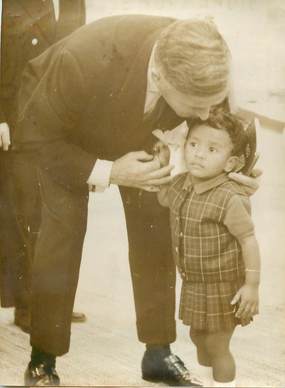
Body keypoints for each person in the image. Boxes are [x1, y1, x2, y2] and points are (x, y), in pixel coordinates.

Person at [14, 15, 259, 386]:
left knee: (157, 225)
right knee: (61, 233)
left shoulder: (199, 56)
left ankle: (158, 353)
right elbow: (34, 138)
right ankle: (42, 359)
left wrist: (242, 170)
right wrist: (110, 170)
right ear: (162, 80)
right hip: (61, 131)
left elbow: (223, 121)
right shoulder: (83, 60)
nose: (207, 115)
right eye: (198, 106)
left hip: (134, 124)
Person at [0, 0, 86, 333]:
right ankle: (28, 306)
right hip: (18, 122)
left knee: (58, 214)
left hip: (61, 124)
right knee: (25, 213)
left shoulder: (72, 4)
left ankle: (55, 303)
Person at [157, 110, 261, 387]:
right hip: (194, 282)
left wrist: (251, 285)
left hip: (223, 285)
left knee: (217, 344)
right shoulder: (181, 183)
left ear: (231, 162)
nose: (199, 154)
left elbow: (248, 239)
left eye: (212, 149)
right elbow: (163, 197)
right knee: (197, 337)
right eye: (193, 144)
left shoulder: (229, 197)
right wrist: (163, 162)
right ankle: (205, 382)